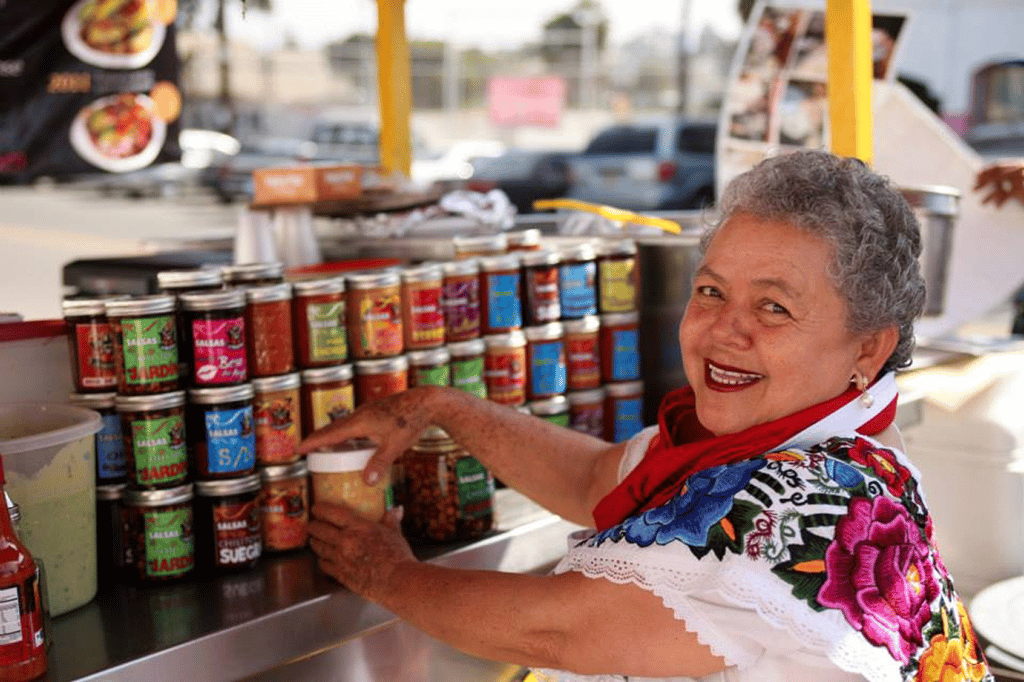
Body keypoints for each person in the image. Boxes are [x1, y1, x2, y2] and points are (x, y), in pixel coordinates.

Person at [298, 150, 993, 682]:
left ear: (867, 349)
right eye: (711, 292)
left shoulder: (807, 498)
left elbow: (554, 631)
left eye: (774, 307)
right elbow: (593, 479)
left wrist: (385, 575)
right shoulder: (790, 439)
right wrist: (438, 408)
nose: (724, 330)